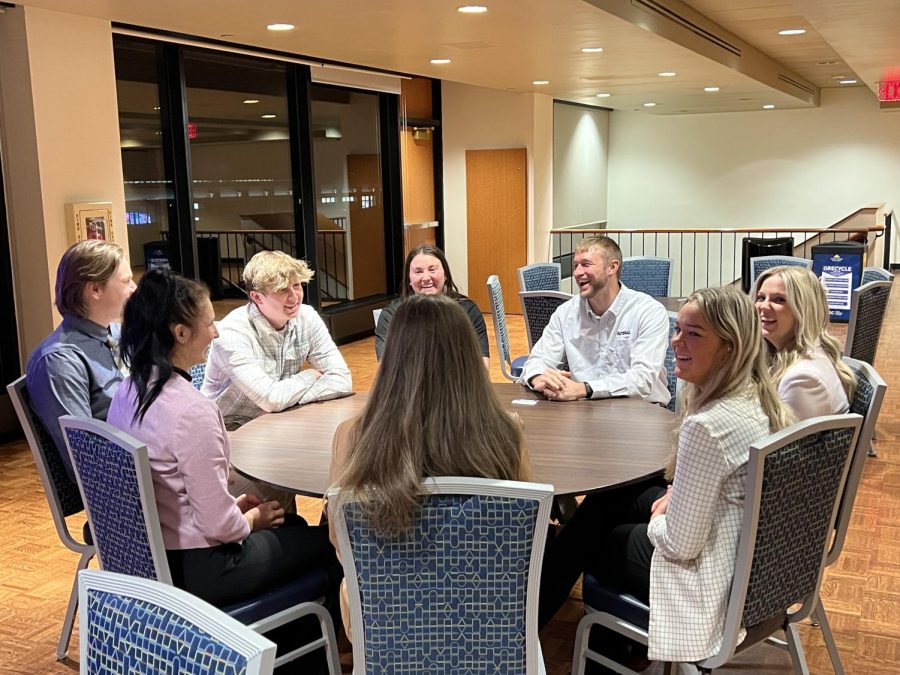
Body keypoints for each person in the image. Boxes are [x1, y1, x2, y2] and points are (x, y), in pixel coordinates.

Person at [539, 286, 792, 664]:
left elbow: (681, 544)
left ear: (729, 345)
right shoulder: (758, 397)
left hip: (710, 578)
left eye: (694, 333)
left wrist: (662, 517)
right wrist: (678, 492)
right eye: (679, 330)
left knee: (596, 538)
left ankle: (538, 624)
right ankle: (544, 610)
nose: (676, 342)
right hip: (751, 561)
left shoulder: (708, 426)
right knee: (609, 501)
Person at [107, 269, 338, 611]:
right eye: (210, 323)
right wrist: (250, 520)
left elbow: (183, 492)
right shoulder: (192, 411)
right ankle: (331, 651)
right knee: (333, 542)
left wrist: (235, 509)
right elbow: (220, 527)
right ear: (181, 333)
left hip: (152, 555)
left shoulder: (127, 393)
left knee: (293, 524)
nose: (216, 333)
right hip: (205, 567)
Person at [329, 293, 531, 639]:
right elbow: (521, 528)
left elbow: (341, 539)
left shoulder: (352, 435)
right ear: (468, 355)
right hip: (487, 617)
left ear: (392, 358)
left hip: (385, 621)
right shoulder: (507, 432)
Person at [202, 250, 352, 508]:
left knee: (341, 470)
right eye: (282, 290)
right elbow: (271, 399)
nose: (294, 296)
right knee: (289, 482)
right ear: (256, 297)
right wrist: (308, 377)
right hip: (227, 439)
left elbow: (342, 379)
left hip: (276, 429)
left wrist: (284, 400)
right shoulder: (232, 333)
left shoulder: (307, 318)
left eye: (296, 285)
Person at [26, 240, 136, 478]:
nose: (134, 288)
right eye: (126, 282)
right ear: (95, 290)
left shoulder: (116, 333)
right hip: (123, 484)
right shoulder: (59, 360)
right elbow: (87, 456)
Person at [520, 236, 670, 404]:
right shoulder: (566, 313)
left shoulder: (648, 311)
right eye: (575, 265)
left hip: (642, 411)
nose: (577, 273)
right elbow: (537, 361)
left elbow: (643, 379)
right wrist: (538, 376)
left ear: (612, 267)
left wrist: (584, 388)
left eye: (586, 264)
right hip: (584, 409)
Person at [754, 265, 855, 419]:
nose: (763, 306)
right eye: (761, 298)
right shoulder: (811, 348)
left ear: (803, 309)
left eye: (779, 300)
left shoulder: (801, 379)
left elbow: (784, 441)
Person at [375, 245, 490, 366]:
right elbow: (385, 369)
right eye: (418, 272)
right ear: (409, 278)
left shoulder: (467, 310)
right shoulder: (392, 314)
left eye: (432, 270)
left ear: (445, 274)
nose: (426, 278)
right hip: (410, 384)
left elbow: (482, 367)